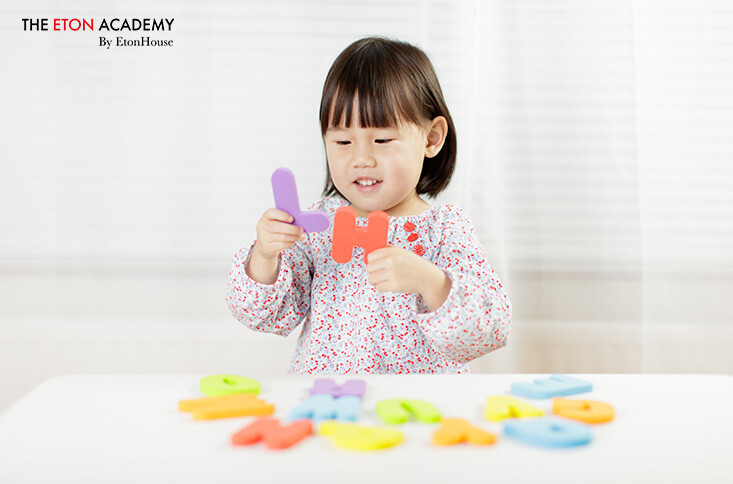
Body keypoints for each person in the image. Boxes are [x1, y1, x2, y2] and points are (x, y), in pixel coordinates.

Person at [227, 36, 510, 374]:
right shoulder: (317, 225)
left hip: (411, 414)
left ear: (431, 138)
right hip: (329, 408)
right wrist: (265, 254)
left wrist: (429, 281)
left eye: (382, 140)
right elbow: (264, 315)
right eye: (343, 141)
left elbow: (487, 330)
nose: (361, 158)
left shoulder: (445, 230)